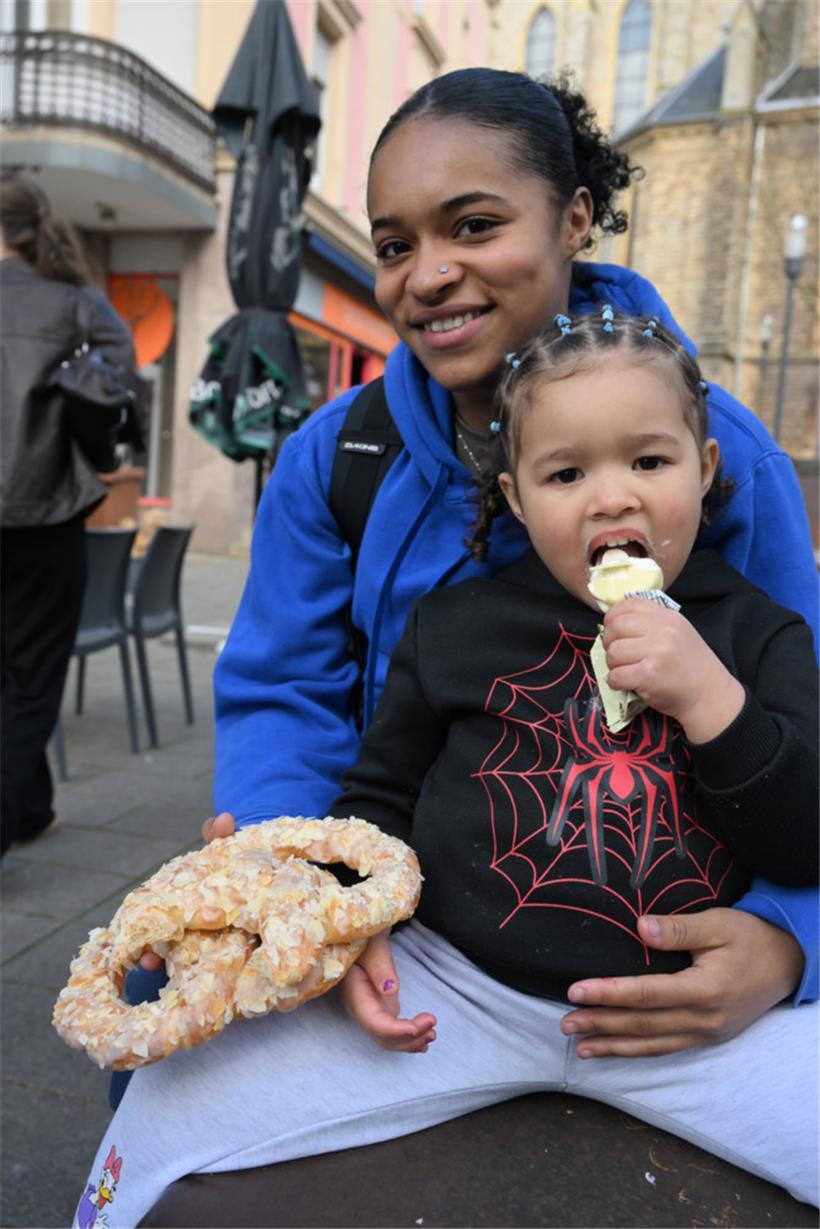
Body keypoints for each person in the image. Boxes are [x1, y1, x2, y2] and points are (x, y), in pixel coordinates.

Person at [88, 67, 818, 1219]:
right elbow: (288, 696)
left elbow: (795, 724)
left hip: (673, 946)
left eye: (473, 225)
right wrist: (308, 884)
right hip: (427, 933)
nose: (426, 274)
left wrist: (791, 937)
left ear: (575, 216)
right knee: (154, 1046)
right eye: (392, 243)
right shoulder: (342, 456)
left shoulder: (730, 461)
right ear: (513, 500)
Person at [0, 174, 136, 856]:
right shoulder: (75, 302)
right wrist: (69, 394)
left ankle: (31, 810)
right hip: (46, 511)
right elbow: (121, 372)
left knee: (10, 676)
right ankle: (17, 813)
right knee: (31, 679)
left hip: (39, 511)